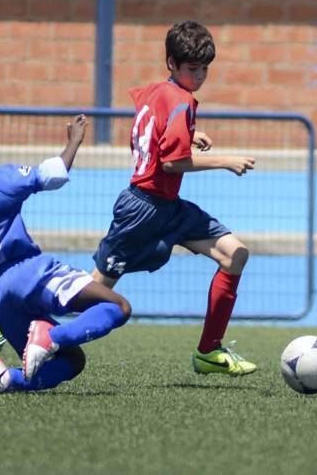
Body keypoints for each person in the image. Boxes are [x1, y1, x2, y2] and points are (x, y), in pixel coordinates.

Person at [91, 20, 257, 376]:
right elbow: (170, 162)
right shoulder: (181, 102)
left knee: (235, 254)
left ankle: (208, 351)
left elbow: (151, 127)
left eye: (204, 69)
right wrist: (225, 161)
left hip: (169, 208)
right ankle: (23, 314)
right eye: (191, 69)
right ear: (171, 63)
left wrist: (190, 133)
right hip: (142, 209)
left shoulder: (156, 91)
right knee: (92, 293)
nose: (198, 76)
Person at [0, 116, 132, 395]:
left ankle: (6, 378)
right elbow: (53, 174)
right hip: (27, 272)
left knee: (73, 360)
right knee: (119, 307)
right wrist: (74, 141)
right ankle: (51, 336)